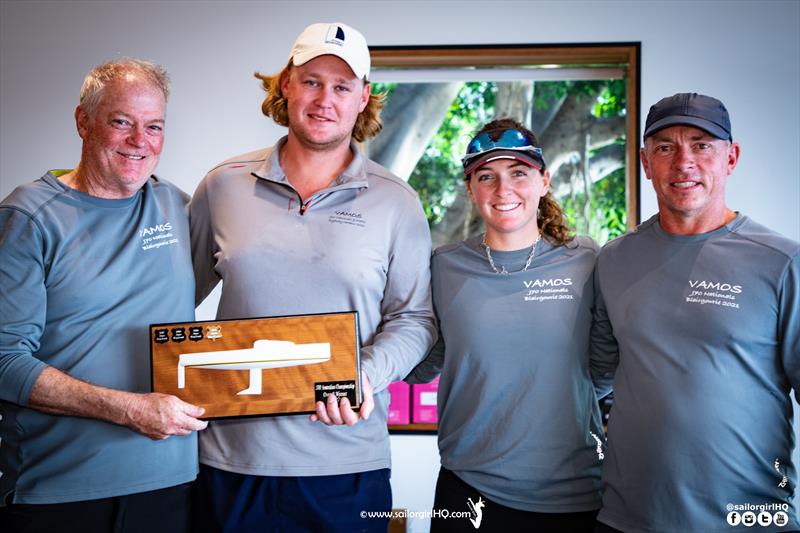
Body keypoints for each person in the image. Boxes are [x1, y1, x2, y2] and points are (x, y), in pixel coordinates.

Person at [190, 22, 436, 532]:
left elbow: (414, 320)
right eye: (312, 81)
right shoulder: (222, 185)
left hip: (347, 467)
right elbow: (169, 299)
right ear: (286, 84)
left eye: (342, 87)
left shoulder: (396, 201)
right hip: (230, 462)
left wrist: (365, 375)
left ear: (363, 98)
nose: (325, 99)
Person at [0, 58, 207, 533]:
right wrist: (130, 409)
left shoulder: (175, 206)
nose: (140, 141)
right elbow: (5, 360)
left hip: (170, 487)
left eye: (154, 126)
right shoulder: (29, 217)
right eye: (121, 122)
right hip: (59, 492)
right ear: (83, 121)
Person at [593, 93, 800, 532]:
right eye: (665, 147)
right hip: (627, 519)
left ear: (731, 157)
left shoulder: (782, 261)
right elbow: (598, 378)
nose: (683, 161)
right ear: (646, 163)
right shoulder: (613, 260)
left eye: (702, 144)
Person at [407, 118, 607, 532]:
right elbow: (424, 360)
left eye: (519, 173)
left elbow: (606, 368)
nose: (503, 190)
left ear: (544, 181)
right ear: (470, 189)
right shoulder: (444, 265)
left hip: (572, 492)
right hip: (468, 489)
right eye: (486, 176)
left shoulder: (586, 259)